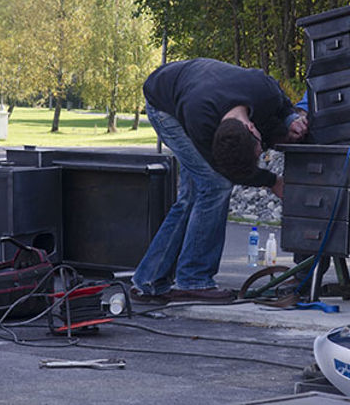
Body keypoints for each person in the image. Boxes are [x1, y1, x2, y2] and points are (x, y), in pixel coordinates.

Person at [131, 58, 309, 304]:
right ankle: (194, 279)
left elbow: (281, 103)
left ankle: (150, 279)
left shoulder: (263, 89)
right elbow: (228, 170)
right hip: (164, 105)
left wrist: (291, 121)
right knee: (215, 186)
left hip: (196, 85)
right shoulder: (200, 123)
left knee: (194, 195)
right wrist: (272, 181)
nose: (264, 153)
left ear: (251, 127)